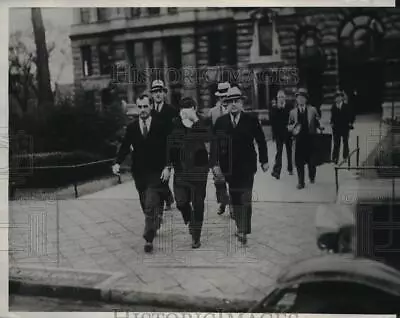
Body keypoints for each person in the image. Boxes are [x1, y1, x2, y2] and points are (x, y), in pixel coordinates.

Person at [112, 93, 171, 253]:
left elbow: (169, 147)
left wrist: (168, 167)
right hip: (139, 173)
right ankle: (155, 219)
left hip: (156, 172)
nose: (143, 110)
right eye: (140, 107)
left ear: (151, 106)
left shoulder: (160, 125)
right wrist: (117, 162)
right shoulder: (132, 128)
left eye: (146, 106)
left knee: (151, 203)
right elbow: (125, 146)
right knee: (145, 204)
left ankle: (148, 238)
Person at [211, 86, 269, 244]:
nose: (234, 104)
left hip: (247, 166)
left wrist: (264, 160)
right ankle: (239, 225)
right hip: (228, 168)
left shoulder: (251, 120)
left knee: (245, 197)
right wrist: (214, 164)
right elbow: (214, 144)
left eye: (237, 101)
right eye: (231, 102)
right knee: (235, 197)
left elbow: (261, 140)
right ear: (227, 103)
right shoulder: (221, 122)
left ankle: (243, 229)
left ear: (242, 103)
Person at [167, 97, 212, 249]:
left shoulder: (203, 120)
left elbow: (207, 137)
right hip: (180, 170)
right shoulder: (175, 123)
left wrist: (196, 120)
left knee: (198, 203)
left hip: (199, 171)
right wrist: (168, 165)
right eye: (182, 109)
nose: (185, 113)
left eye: (188, 109)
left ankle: (196, 236)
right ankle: (190, 220)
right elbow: (170, 145)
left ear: (194, 108)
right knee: (180, 202)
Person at [150, 79, 178, 211]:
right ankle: (167, 197)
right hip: (154, 148)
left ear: (164, 93)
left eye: (160, 91)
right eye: (155, 92)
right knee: (156, 174)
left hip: (168, 147)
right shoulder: (149, 111)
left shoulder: (171, 110)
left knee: (164, 174)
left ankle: (167, 198)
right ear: (152, 94)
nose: (157, 94)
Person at [288, 88, 322, 190]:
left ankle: (312, 176)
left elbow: (317, 122)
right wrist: (292, 129)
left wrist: (319, 128)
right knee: (299, 161)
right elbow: (289, 125)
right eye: (299, 98)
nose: (301, 100)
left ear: (306, 100)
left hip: (310, 139)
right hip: (298, 140)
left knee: (311, 161)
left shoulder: (312, 110)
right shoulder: (293, 112)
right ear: (296, 100)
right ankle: (301, 182)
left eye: (303, 98)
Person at [208, 82, 231, 216]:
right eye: (221, 96)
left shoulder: (236, 110)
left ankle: (233, 206)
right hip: (217, 152)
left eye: (226, 96)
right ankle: (223, 202)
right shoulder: (213, 112)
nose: (224, 99)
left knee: (233, 180)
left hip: (232, 152)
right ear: (218, 97)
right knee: (219, 180)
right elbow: (209, 134)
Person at [270, 90, 293, 179]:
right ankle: (277, 171)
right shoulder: (274, 108)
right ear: (277, 98)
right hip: (279, 134)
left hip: (288, 133)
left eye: (282, 97)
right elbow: (272, 122)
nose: (281, 99)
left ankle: (290, 168)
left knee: (289, 151)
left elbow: (292, 119)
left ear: (285, 98)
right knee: (279, 152)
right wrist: (274, 135)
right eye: (279, 97)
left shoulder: (289, 107)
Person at [330, 90, 355, 164]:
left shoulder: (346, 106)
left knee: (345, 142)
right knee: (336, 143)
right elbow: (332, 117)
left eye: (339, 97)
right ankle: (335, 158)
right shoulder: (333, 107)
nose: (337, 99)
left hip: (345, 127)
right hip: (336, 128)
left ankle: (345, 156)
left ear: (342, 98)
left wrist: (350, 122)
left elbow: (352, 115)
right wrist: (331, 123)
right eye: (336, 98)